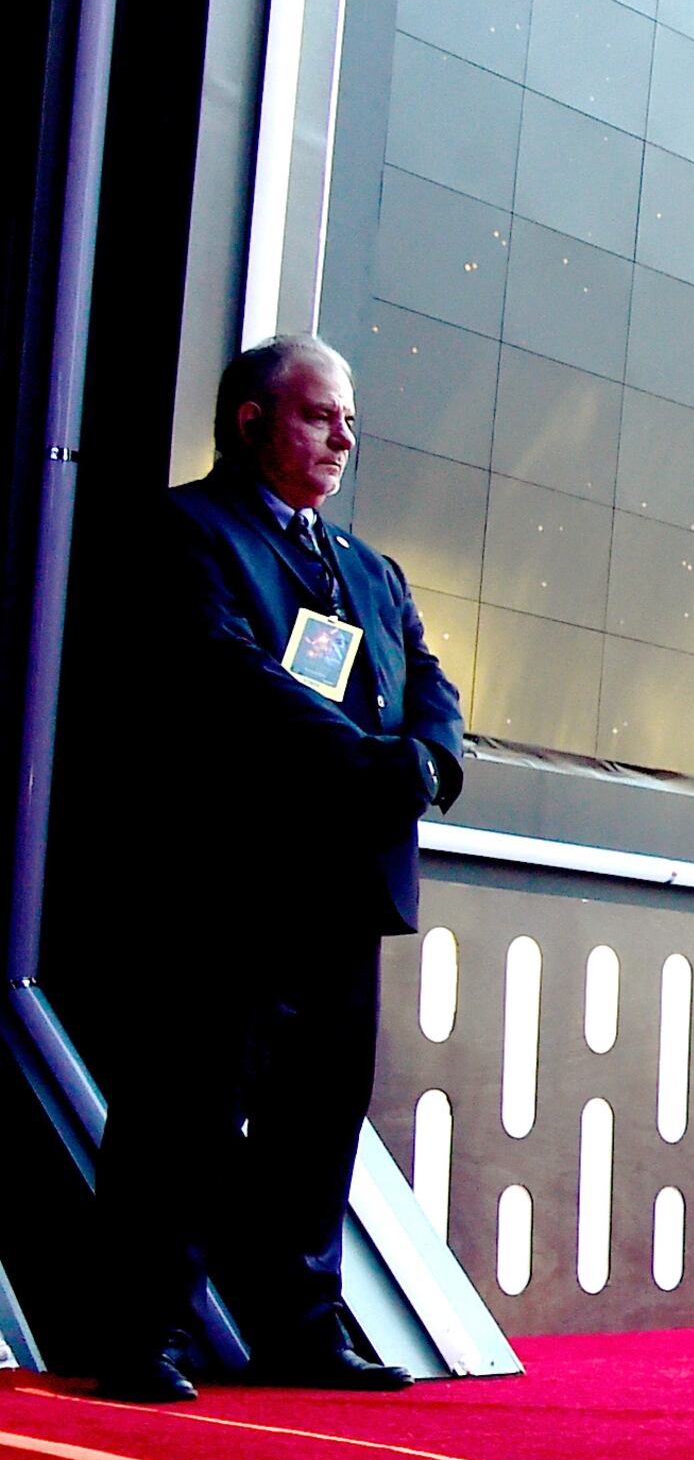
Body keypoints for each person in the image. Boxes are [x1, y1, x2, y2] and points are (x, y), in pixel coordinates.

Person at [85, 335, 464, 1403]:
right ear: (250, 420)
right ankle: (140, 1333)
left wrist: (426, 764)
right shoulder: (185, 532)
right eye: (319, 415)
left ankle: (301, 1330)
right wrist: (368, 763)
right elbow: (222, 674)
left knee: (316, 1123)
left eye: (348, 420)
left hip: (347, 891)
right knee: (186, 1115)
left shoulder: (369, 570)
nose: (344, 437)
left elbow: (430, 686)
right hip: (231, 887)